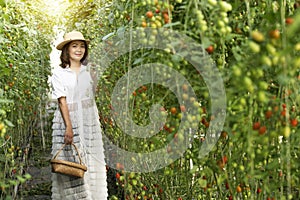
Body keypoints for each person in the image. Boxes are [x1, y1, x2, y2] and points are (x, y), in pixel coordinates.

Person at [50, 30, 108, 199]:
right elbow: (62, 101)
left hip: (89, 119)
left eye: (82, 46)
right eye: (74, 46)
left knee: (91, 160)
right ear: (67, 50)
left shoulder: (88, 71)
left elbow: (94, 94)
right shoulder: (59, 73)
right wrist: (69, 127)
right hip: (69, 119)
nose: (79, 49)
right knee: (71, 162)